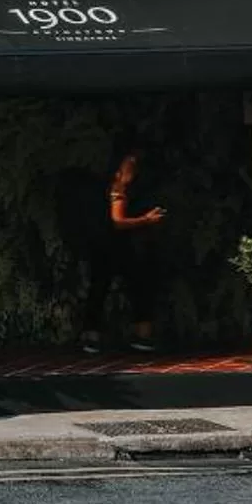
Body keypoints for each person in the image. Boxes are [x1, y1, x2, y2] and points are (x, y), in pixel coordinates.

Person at [80, 152, 167, 355]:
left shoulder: (123, 189)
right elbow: (117, 221)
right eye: (129, 167)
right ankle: (100, 336)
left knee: (130, 287)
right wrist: (146, 220)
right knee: (111, 288)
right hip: (112, 246)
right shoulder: (118, 189)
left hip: (113, 247)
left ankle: (139, 334)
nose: (132, 172)